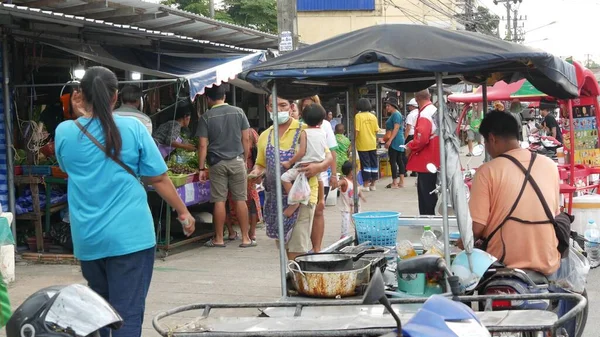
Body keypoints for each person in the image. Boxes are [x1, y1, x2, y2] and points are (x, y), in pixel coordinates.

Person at [55, 66, 195, 337]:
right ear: (115, 96)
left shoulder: (64, 132)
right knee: (127, 315)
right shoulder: (132, 127)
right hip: (130, 237)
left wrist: (79, 117)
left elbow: (66, 165)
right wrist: (183, 212)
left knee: (100, 312)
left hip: (88, 238)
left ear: (80, 95)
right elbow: (159, 178)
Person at [468, 110, 561, 276]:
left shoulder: (486, 172)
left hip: (503, 265)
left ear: (492, 138)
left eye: (485, 143)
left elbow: (477, 228)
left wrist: (462, 242)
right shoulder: (550, 165)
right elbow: (554, 213)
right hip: (548, 262)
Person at [248, 95, 333, 260]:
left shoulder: (305, 130)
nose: (278, 109)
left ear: (291, 107)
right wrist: (255, 173)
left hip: (303, 197)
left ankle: (299, 282)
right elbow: (261, 164)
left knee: (297, 250)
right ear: (268, 108)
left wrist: (319, 167)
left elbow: (328, 157)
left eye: (282, 105)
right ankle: (293, 281)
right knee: (285, 248)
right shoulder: (265, 135)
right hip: (275, 200)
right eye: (273, 106)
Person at [197, 85, 254, 248]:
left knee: (219, 201)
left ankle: (219, 239)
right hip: (237, 160)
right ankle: (245, 238)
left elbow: (202, 145)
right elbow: (246, 138)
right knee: (240, 200)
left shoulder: (206, 117)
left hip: (217, 163)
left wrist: (201, 168)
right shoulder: (239, 112)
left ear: (208, 99)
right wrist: (244, 158)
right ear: (224, 97)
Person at [298, 96, 338, 253]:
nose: (308, 108)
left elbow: (332, 150)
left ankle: (317, 248)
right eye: (305, 106)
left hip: (321, 175)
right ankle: (300, 246)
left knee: (319, 210)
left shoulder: (325, 125)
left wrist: (334, 174)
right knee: (301, 211)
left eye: (311, 105)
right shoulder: (297, 125)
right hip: (301, 175)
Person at [281, 104, 328, 218]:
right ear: (321, 121)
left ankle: (295, 200)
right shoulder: (323, 132)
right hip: (318, 165)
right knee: (319, 179)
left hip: (304, 166)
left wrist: (289, 162)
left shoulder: (304, 132)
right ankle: (321, 200)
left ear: (304, 119)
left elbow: (301, 152)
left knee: (285, 178)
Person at [405, 89, 440, 215]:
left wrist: (410, 146)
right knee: (432, 189)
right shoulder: (434, 110)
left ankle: (427, 218)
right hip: (436, 156)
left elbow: (422, 138)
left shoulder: (425, 114)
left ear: (416, 98)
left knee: (426, 191)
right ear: (429, 96)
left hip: (427, 159)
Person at [225, 127, 262, 242]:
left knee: (228, 200)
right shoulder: (251, 132)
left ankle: (232, 231)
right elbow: (260, 149)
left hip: (232, 169)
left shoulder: (228, 132)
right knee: (251, 200)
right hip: (249, 168)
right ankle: (251, 233)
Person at [355, 98, 380, 191]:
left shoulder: (358, 116)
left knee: (365, 164)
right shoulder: (373, 116)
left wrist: (352, 143)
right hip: (372, 143)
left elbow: (356, 131)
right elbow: (376, 130)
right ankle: (373, 184)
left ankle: (366, 184)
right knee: (373, 163)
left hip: (362, 144)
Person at [339, 161, 366, 239]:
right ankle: (344, 236)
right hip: (347, 207)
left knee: (358, 222)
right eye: (356, 170)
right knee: (346, 222)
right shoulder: (345, 181)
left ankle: (358, 235)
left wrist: (362, 196)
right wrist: (335, 184)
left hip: (356, 206)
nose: (357, 172)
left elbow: (358, 189)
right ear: (351, 171)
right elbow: (339, 183)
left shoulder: (354, 181)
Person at [383, 97, 406, 188]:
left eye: (388, 106)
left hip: (395, 139)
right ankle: (401, 181)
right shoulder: (396, 114)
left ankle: (395, 182)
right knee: (399, 160)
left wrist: (390, 140)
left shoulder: (396, 115)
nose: (387, 108)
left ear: (393, 106)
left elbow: (396, 128)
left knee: (393, 160)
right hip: (399, 138)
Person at [404, 98, 419, 177]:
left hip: (410, 135)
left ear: (412, 106)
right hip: (417, 135)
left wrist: (404, 138)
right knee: (415, 153)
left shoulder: (411, 115)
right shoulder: (420, 113)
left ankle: (404, 170)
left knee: (406, 153)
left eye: (409, 106)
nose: (408, 107)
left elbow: (408, 128)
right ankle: (415, 170)